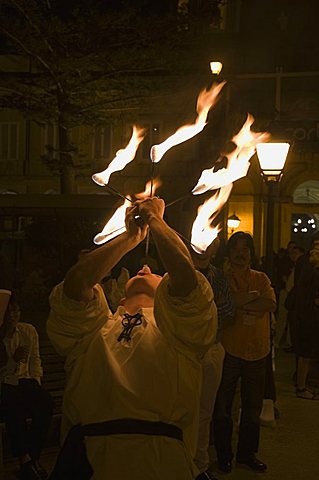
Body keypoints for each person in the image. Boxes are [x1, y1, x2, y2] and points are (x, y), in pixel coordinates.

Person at [47, 197, 217, 480]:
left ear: (166, 294)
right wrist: (131, 237)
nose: (146, 268)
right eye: (141, 269)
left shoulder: (180, 331)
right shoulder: (95, 327)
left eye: (157, 272)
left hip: (160, 461)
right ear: (120, 297)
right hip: (89, 459)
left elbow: (186, 280)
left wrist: (156, 221)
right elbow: (76, 284)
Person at [213, 232, 276, 473]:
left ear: (251, 253)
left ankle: (247, 454)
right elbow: (222, 304)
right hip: (229, 349)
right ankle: (223, 455)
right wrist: (250, 300)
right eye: (236, 249)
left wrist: (239, 302)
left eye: (246, 249)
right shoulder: (221, 279)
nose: (241, 253)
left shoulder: (261, 278)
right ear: (228, 253)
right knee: (223, 406)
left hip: (257, 351)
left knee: (252, 408)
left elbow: (269, 304)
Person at [191, 238, 235, 480]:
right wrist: (209, 307)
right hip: (186, 350)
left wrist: (200, 310)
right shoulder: (180, 273)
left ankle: (199, 464)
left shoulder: (217, 276)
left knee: (205, 410)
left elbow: (229, 309)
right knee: (183, 406)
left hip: (212, 348)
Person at [0, 293, 54, 480]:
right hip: (5, 384)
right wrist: (12, 361)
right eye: (9, 312)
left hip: (25, 382)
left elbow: (34, 362)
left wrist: (37, 387)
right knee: (13, 404)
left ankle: (32, 457)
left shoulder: (28, 331)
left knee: (45, 402)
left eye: (16, 311)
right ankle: (25, 461)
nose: (13, 315)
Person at [293, 238, 319, 400]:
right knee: (306, 352)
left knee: (305, 352)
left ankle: (301, 384)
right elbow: (305, 291)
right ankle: (301, 387)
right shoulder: (310, 266)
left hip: (304, 313)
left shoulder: (305, 263)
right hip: (308, 313)